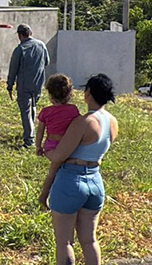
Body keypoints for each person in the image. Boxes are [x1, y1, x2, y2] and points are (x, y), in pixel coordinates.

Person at [44, 73, 119, 265]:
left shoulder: (84, 122)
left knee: (65, 242)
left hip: (71, 180)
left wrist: (45, 151)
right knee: (90, 240)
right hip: (95, 180)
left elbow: (60, 155)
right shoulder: (112, 122)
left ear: (88, 94)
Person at [36, 74, 81, 209]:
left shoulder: (46, 111)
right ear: (69, 94)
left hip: (51, 147)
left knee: (53, 173)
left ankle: (45, 196)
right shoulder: (73, 110)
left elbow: (40, 131)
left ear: (50, 94)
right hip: (68, 147)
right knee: (58, 172)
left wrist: (38, 146)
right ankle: (44, 197)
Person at [7, 24, 50, 148]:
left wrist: (10, 86)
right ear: (30, 33)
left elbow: (13, 69)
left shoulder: (20, 49)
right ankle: (30, 133)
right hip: (38, 83)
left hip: (24, 85)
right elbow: (47, 61)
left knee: (26, 111)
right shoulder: (41, 45)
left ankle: (29, 139)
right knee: (33, 108)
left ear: (20, 35)